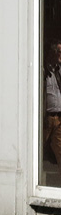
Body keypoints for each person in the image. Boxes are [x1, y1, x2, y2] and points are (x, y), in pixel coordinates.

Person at [44, 38, 61, 176]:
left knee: (59, 148)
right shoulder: (44, 70)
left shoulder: (59, 71)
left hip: (59, 117)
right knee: (38, 147)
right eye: (59, 51)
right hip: (47, 117)